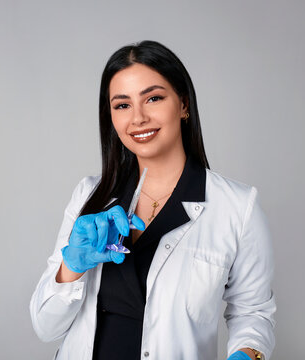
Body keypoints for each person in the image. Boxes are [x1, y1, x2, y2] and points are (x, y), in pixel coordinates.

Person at [29, 40, 276, 360]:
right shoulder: (90, 197)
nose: (138, 118)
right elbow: (45, 328)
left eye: (154, 98)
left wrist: (247, 353)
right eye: (122, 105)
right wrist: (71, 267)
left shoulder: (237, 208)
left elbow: (253, 313)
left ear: (184, 105)